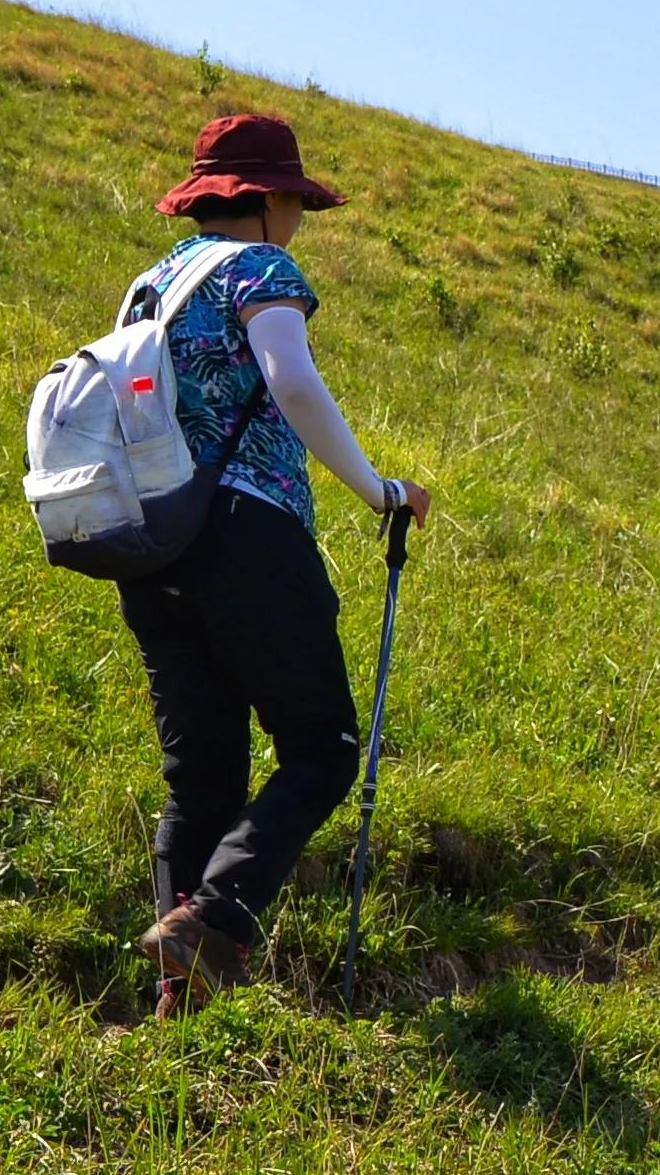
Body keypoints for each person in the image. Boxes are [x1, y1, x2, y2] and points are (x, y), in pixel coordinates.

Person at [109, 113, 430, 1013]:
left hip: (153, 543)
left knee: (202, 777)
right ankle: (211, 920)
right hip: (250, 533)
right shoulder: (261, 269)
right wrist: (379, 491)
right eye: (295, 202)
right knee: (324, 751)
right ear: (263, 200)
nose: (298, 221)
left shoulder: (149, 287)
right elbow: (291, 380)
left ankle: (177, 996)